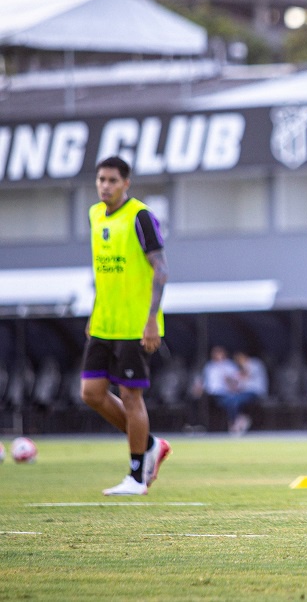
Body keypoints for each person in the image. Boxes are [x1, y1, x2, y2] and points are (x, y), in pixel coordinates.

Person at [80, 156, 172, 496]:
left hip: (135, 326)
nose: (105, 185)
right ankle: (149, 443)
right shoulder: (94, 214)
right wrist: (95, 310)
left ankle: (136, 477)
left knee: (131, 397)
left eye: (112, 180)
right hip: (104, 322)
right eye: (101, 179)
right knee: (90, 393)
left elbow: (160, 270)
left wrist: (151, 320)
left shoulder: (140, 216)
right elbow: (104, 272)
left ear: (126, 184)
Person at [229, 351, 269, 434]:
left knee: (236, 400)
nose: (239, 361)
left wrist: (239, 374)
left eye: (239, 359)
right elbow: (239, 384)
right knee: (231, 400)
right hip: (245, 393)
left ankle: (239, 421)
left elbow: (248, 375)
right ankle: (239, 420)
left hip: (256, 391)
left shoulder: (255, 363)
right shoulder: (241, 368)